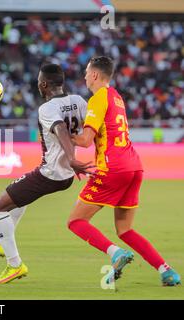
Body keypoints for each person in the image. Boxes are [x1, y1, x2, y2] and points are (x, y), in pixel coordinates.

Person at [0, 64, 92, 284]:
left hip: (52, 173)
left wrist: (73, 159)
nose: (38, 85)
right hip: (63, 173)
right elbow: (91, 128)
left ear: (44, 84)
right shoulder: (78, 101)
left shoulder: (46, 109)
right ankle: (2, 241)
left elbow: (61, 129)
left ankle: (14, 264)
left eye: (39, 81)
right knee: (18, 195)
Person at [69, 56, 180, 286]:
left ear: (95, 75)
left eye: (87, 72)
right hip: (134, 166)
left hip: (112, 168)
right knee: (125, 229)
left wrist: (57, 134)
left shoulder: (98, 98)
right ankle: (166, 270)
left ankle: (115, 253)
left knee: (75, 221)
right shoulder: (116, 97)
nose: (84, 76)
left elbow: (85, 141)